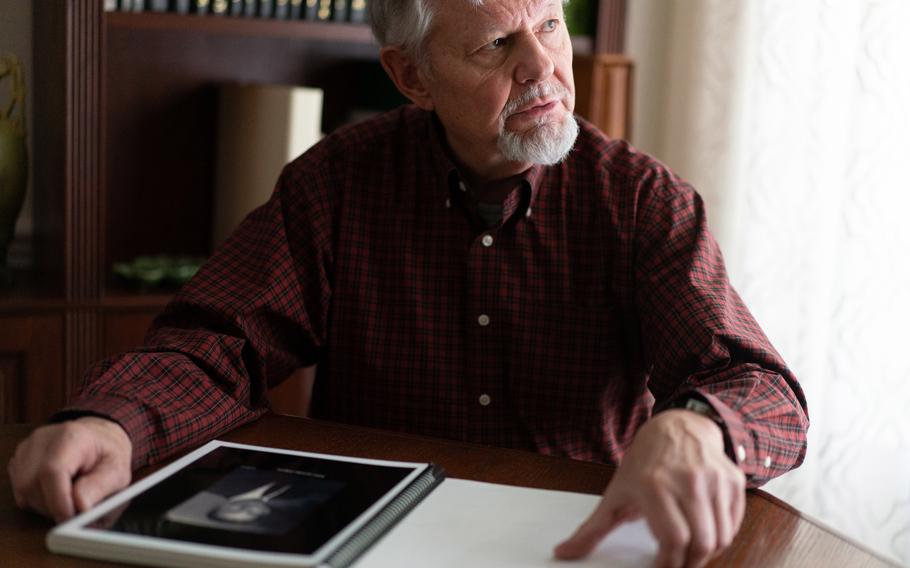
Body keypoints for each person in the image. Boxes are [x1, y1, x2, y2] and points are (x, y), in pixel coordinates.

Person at [8, 1, 809, 566]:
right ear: (410, 74)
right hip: (362, 542)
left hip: (568, 547)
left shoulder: (640, 199)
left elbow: (763, 390)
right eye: (496, 45)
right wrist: (113, 423)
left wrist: (699, 425)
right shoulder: (337, 184)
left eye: (551, 26)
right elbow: (216, 343)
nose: (544, 69)